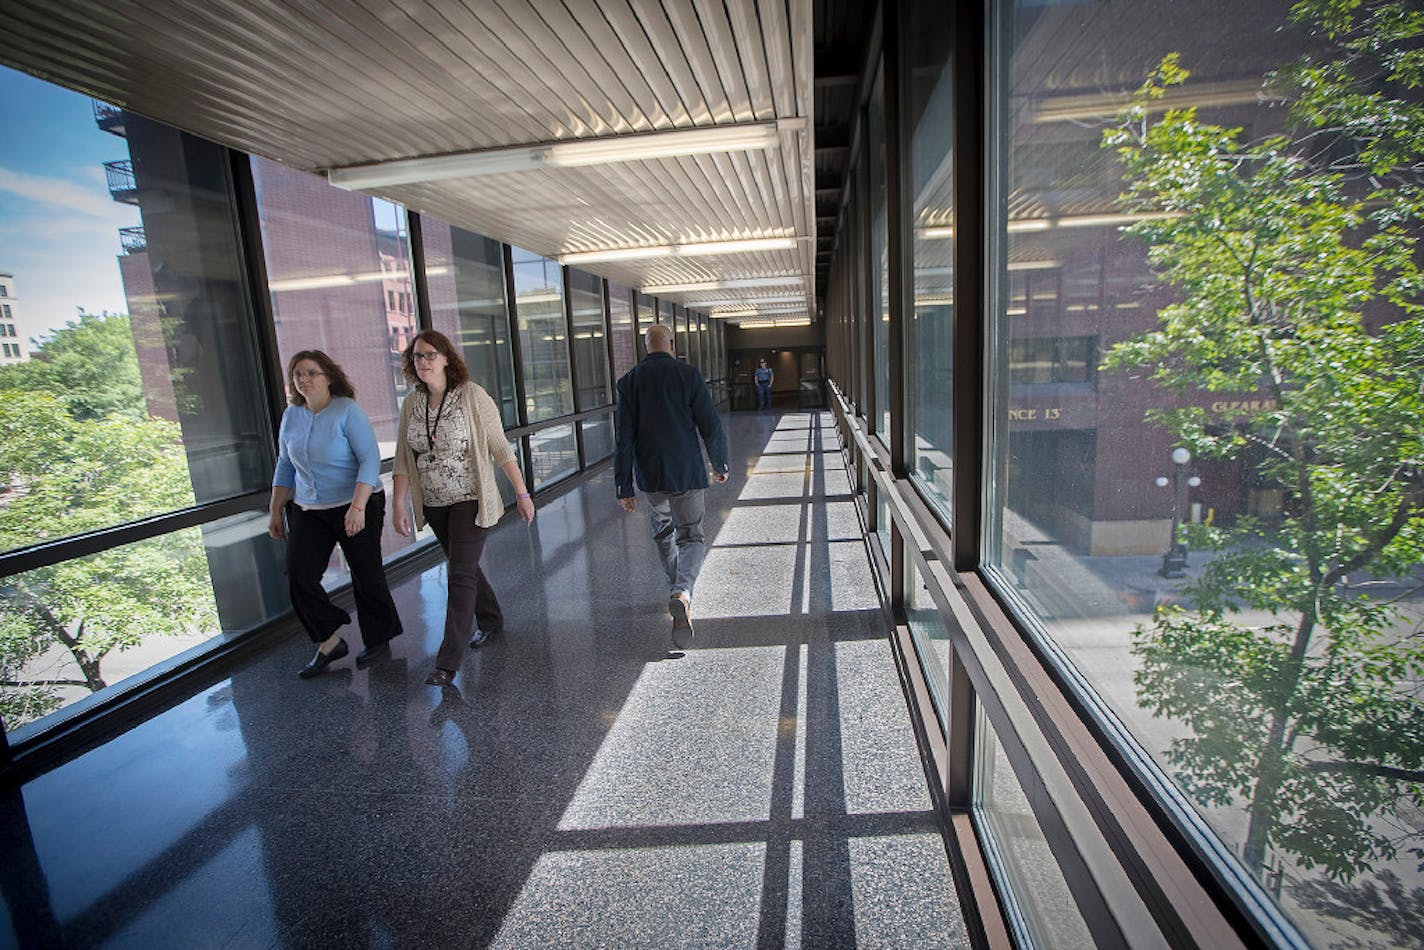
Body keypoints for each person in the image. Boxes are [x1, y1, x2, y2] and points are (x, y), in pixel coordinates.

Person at [391, 330, 535, 687]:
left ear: (445, 359)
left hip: (469, 497)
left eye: (429, 355)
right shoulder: (412, 403)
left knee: (458, 576)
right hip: (435, 502)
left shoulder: (471, 395)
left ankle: (447, 662)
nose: (422, 362)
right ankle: (491, 619)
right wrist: (398, 503)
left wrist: (522, 493)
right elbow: (403, 458)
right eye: (416, 356)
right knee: (463, 567)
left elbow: (500, 448)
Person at [269, 350, 402, 678]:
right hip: (309, 508)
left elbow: (370, 460)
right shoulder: (291, 417)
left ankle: (379, 639)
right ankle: (329, 641)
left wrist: (357, 507)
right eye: (298, 374)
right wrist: (274, 511)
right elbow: (285, 465)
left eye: (312, 373)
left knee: (365, 572)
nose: (305, 379)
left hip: (358, 500)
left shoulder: (347, 410)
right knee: (298, 575)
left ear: (329, 376)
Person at [615, 323, 730, 650]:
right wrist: (719, 462)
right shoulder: (688, 375)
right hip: (686, 473)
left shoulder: (629, 382)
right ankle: (683, 591)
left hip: (651, 477)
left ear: (645, 347)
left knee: (664, 531)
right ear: (672, 343)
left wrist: (623, 486)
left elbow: (623, 439)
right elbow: (710, 424)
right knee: (691, 535)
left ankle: (678, 590)